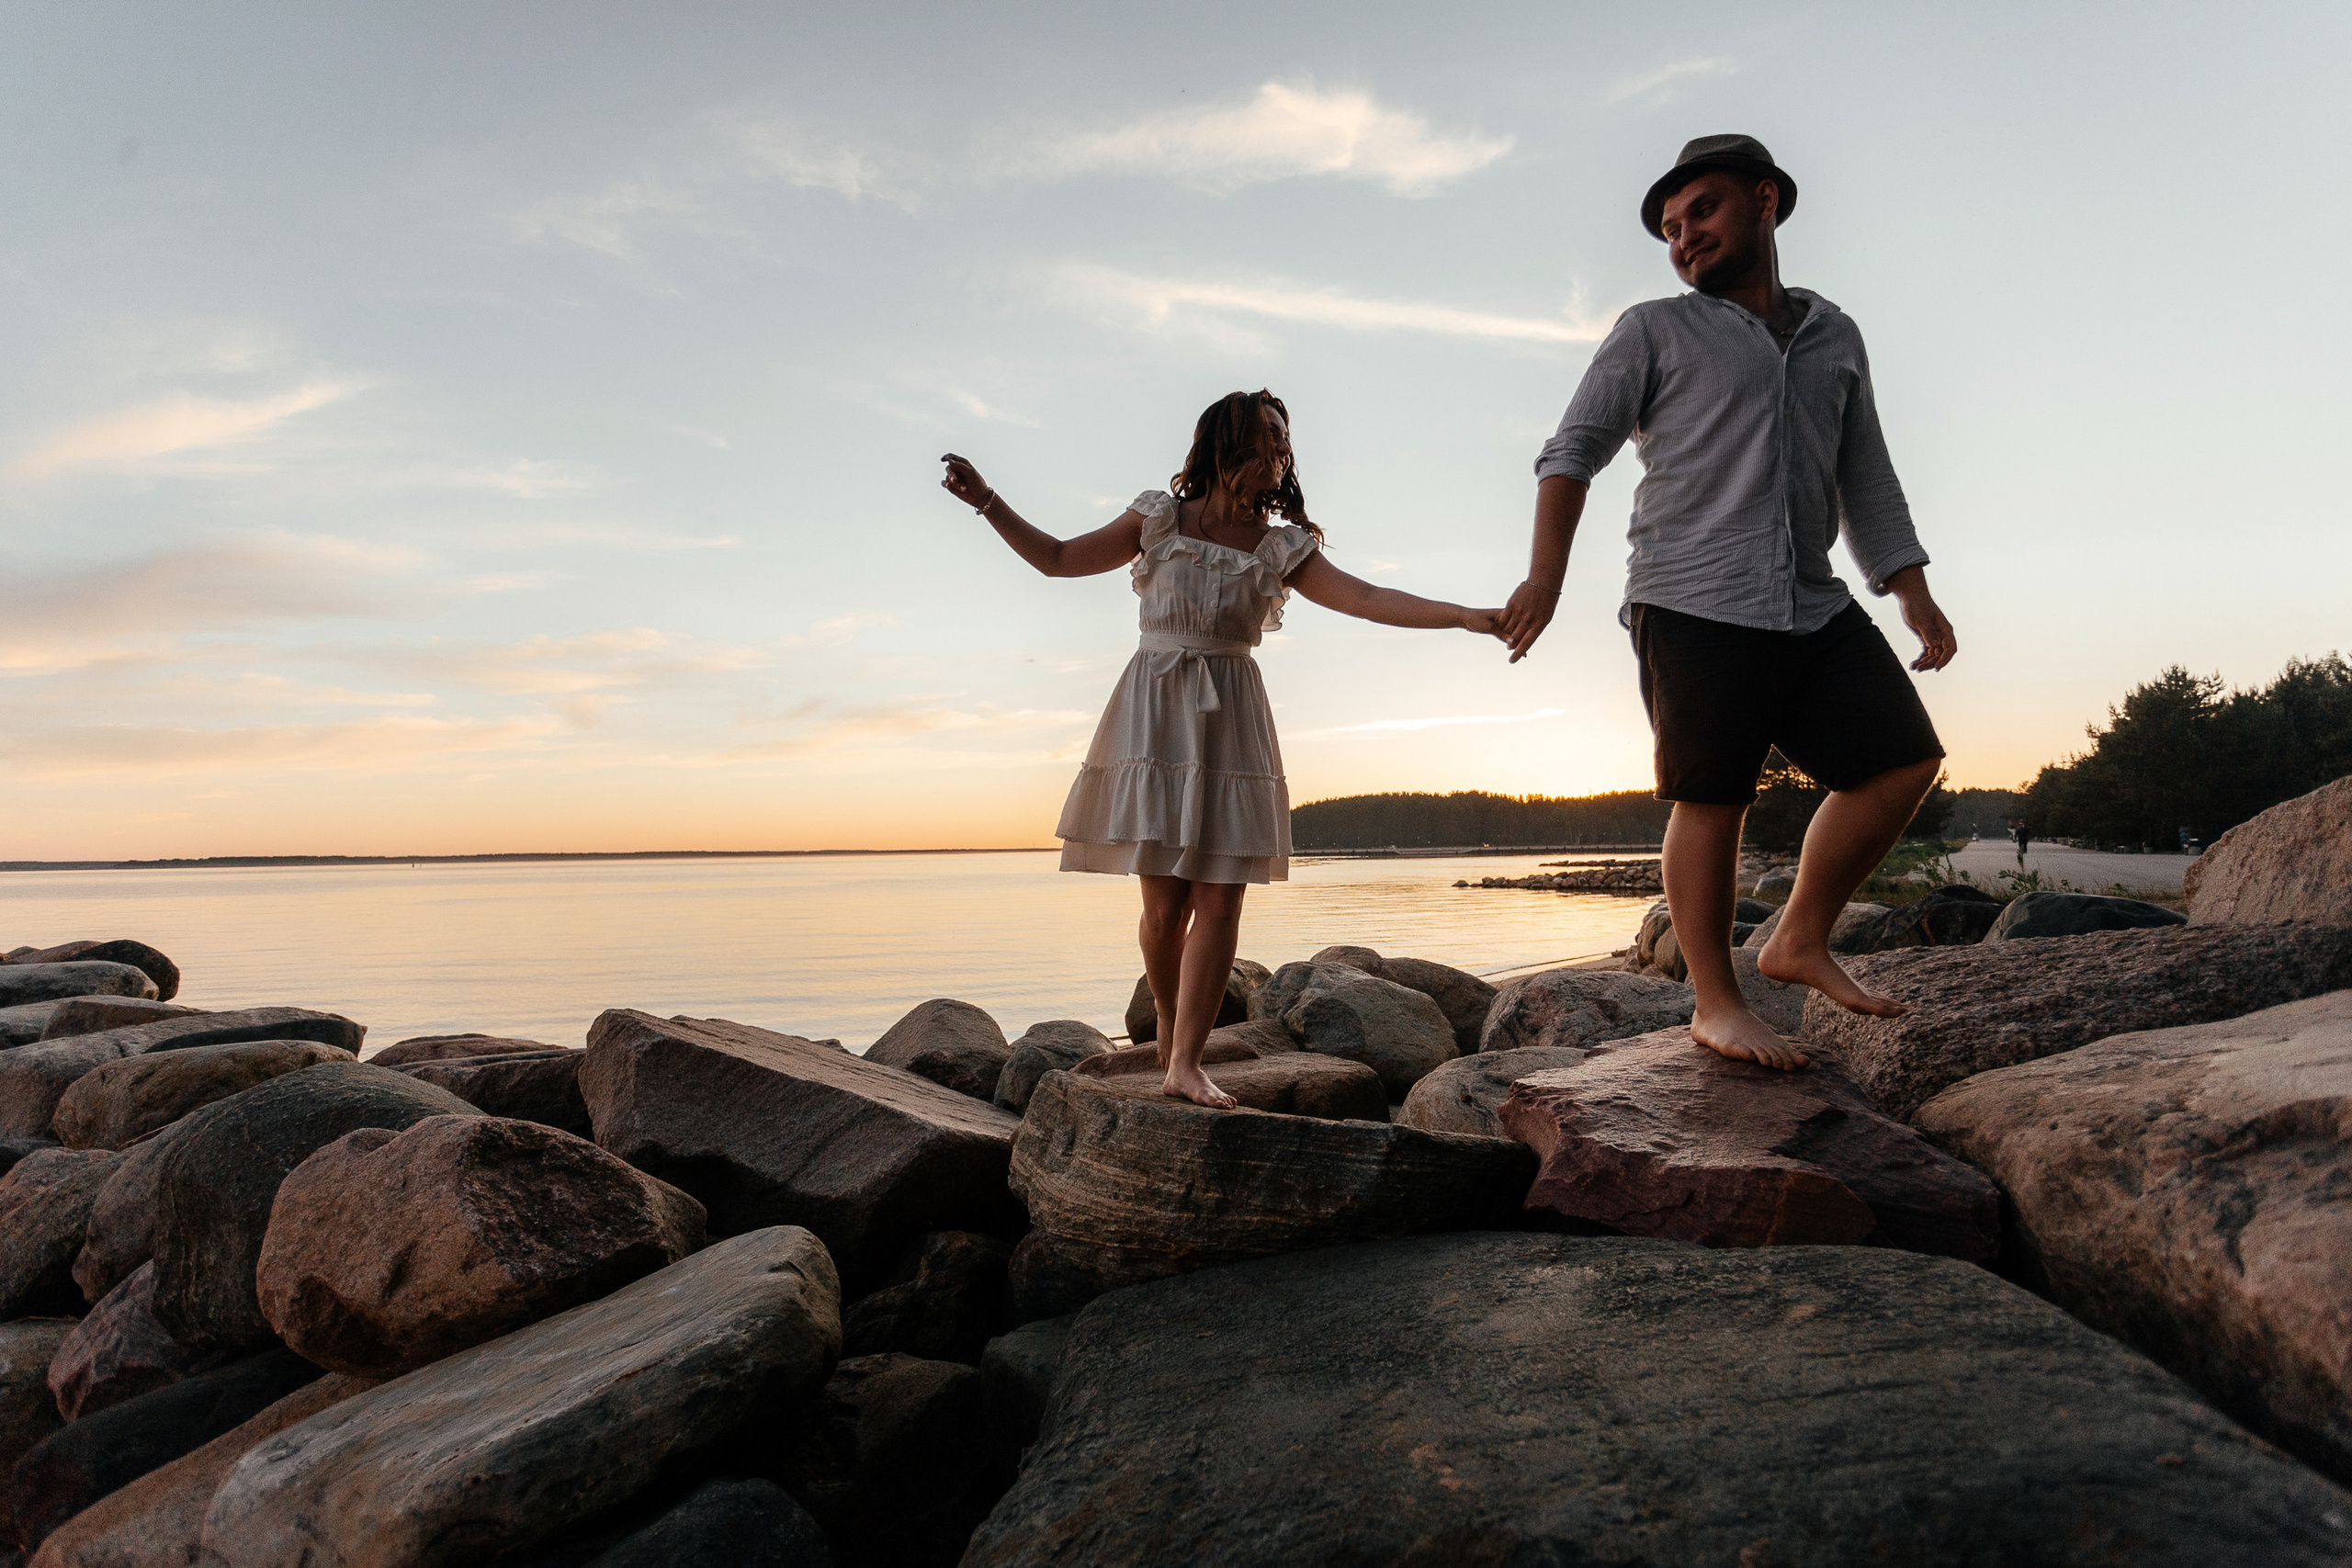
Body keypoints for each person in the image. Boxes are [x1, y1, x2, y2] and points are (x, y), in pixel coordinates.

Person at [1498, 134, 1958, 1072]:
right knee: (1711, 796)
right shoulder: (1651, 330)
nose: (1683, 238)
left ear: (1764, 201)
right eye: (1669, 229)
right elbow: (1569, 453)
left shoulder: (1834, 334)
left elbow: (1864, 474)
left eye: (1700, 211)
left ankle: (1796, 940)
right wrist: (1543, 579)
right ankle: (1715, 1000)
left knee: (1900, 761)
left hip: (1809, 600)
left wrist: (1911, 591)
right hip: (1690, 593)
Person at [941, 391, 1505, 1107]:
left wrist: (1462, 616)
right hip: (1155, 709)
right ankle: (1174, 1023)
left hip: (1230, 714)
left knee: (1221, 900)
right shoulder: (1157, 519)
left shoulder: (1280, 546)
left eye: (1286, 438)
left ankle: (1184, 1062)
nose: (1283, 449)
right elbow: (1056, 558)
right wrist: (988, 501)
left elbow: (1365, 598)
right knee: (1162, 911)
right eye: (1271, 434)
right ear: (1228, 439)